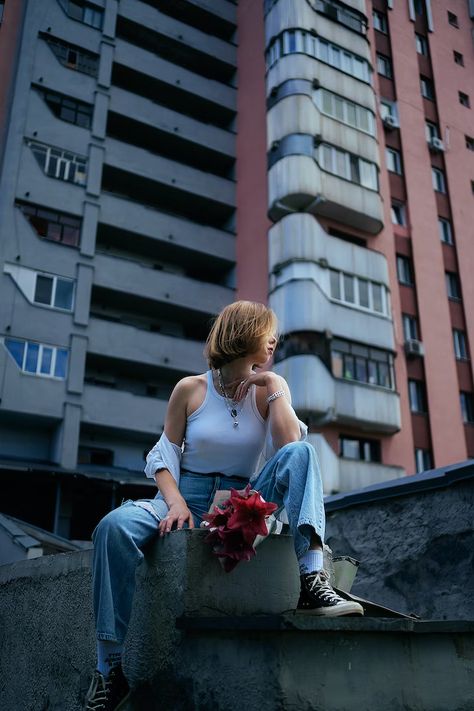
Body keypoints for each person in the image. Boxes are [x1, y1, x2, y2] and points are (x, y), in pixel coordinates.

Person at [84, 300, 363, 711]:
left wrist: (277, 389)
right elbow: (162, 456)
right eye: (266, 333)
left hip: (243, 501)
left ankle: (312, 579)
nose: (273, 342)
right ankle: (110, 670)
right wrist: (175, 501)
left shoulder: (268, 390)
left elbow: (291, 450)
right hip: (184, 497)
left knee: (305, 455)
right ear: (243, 333)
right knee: (113, 526)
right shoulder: (191, 389)